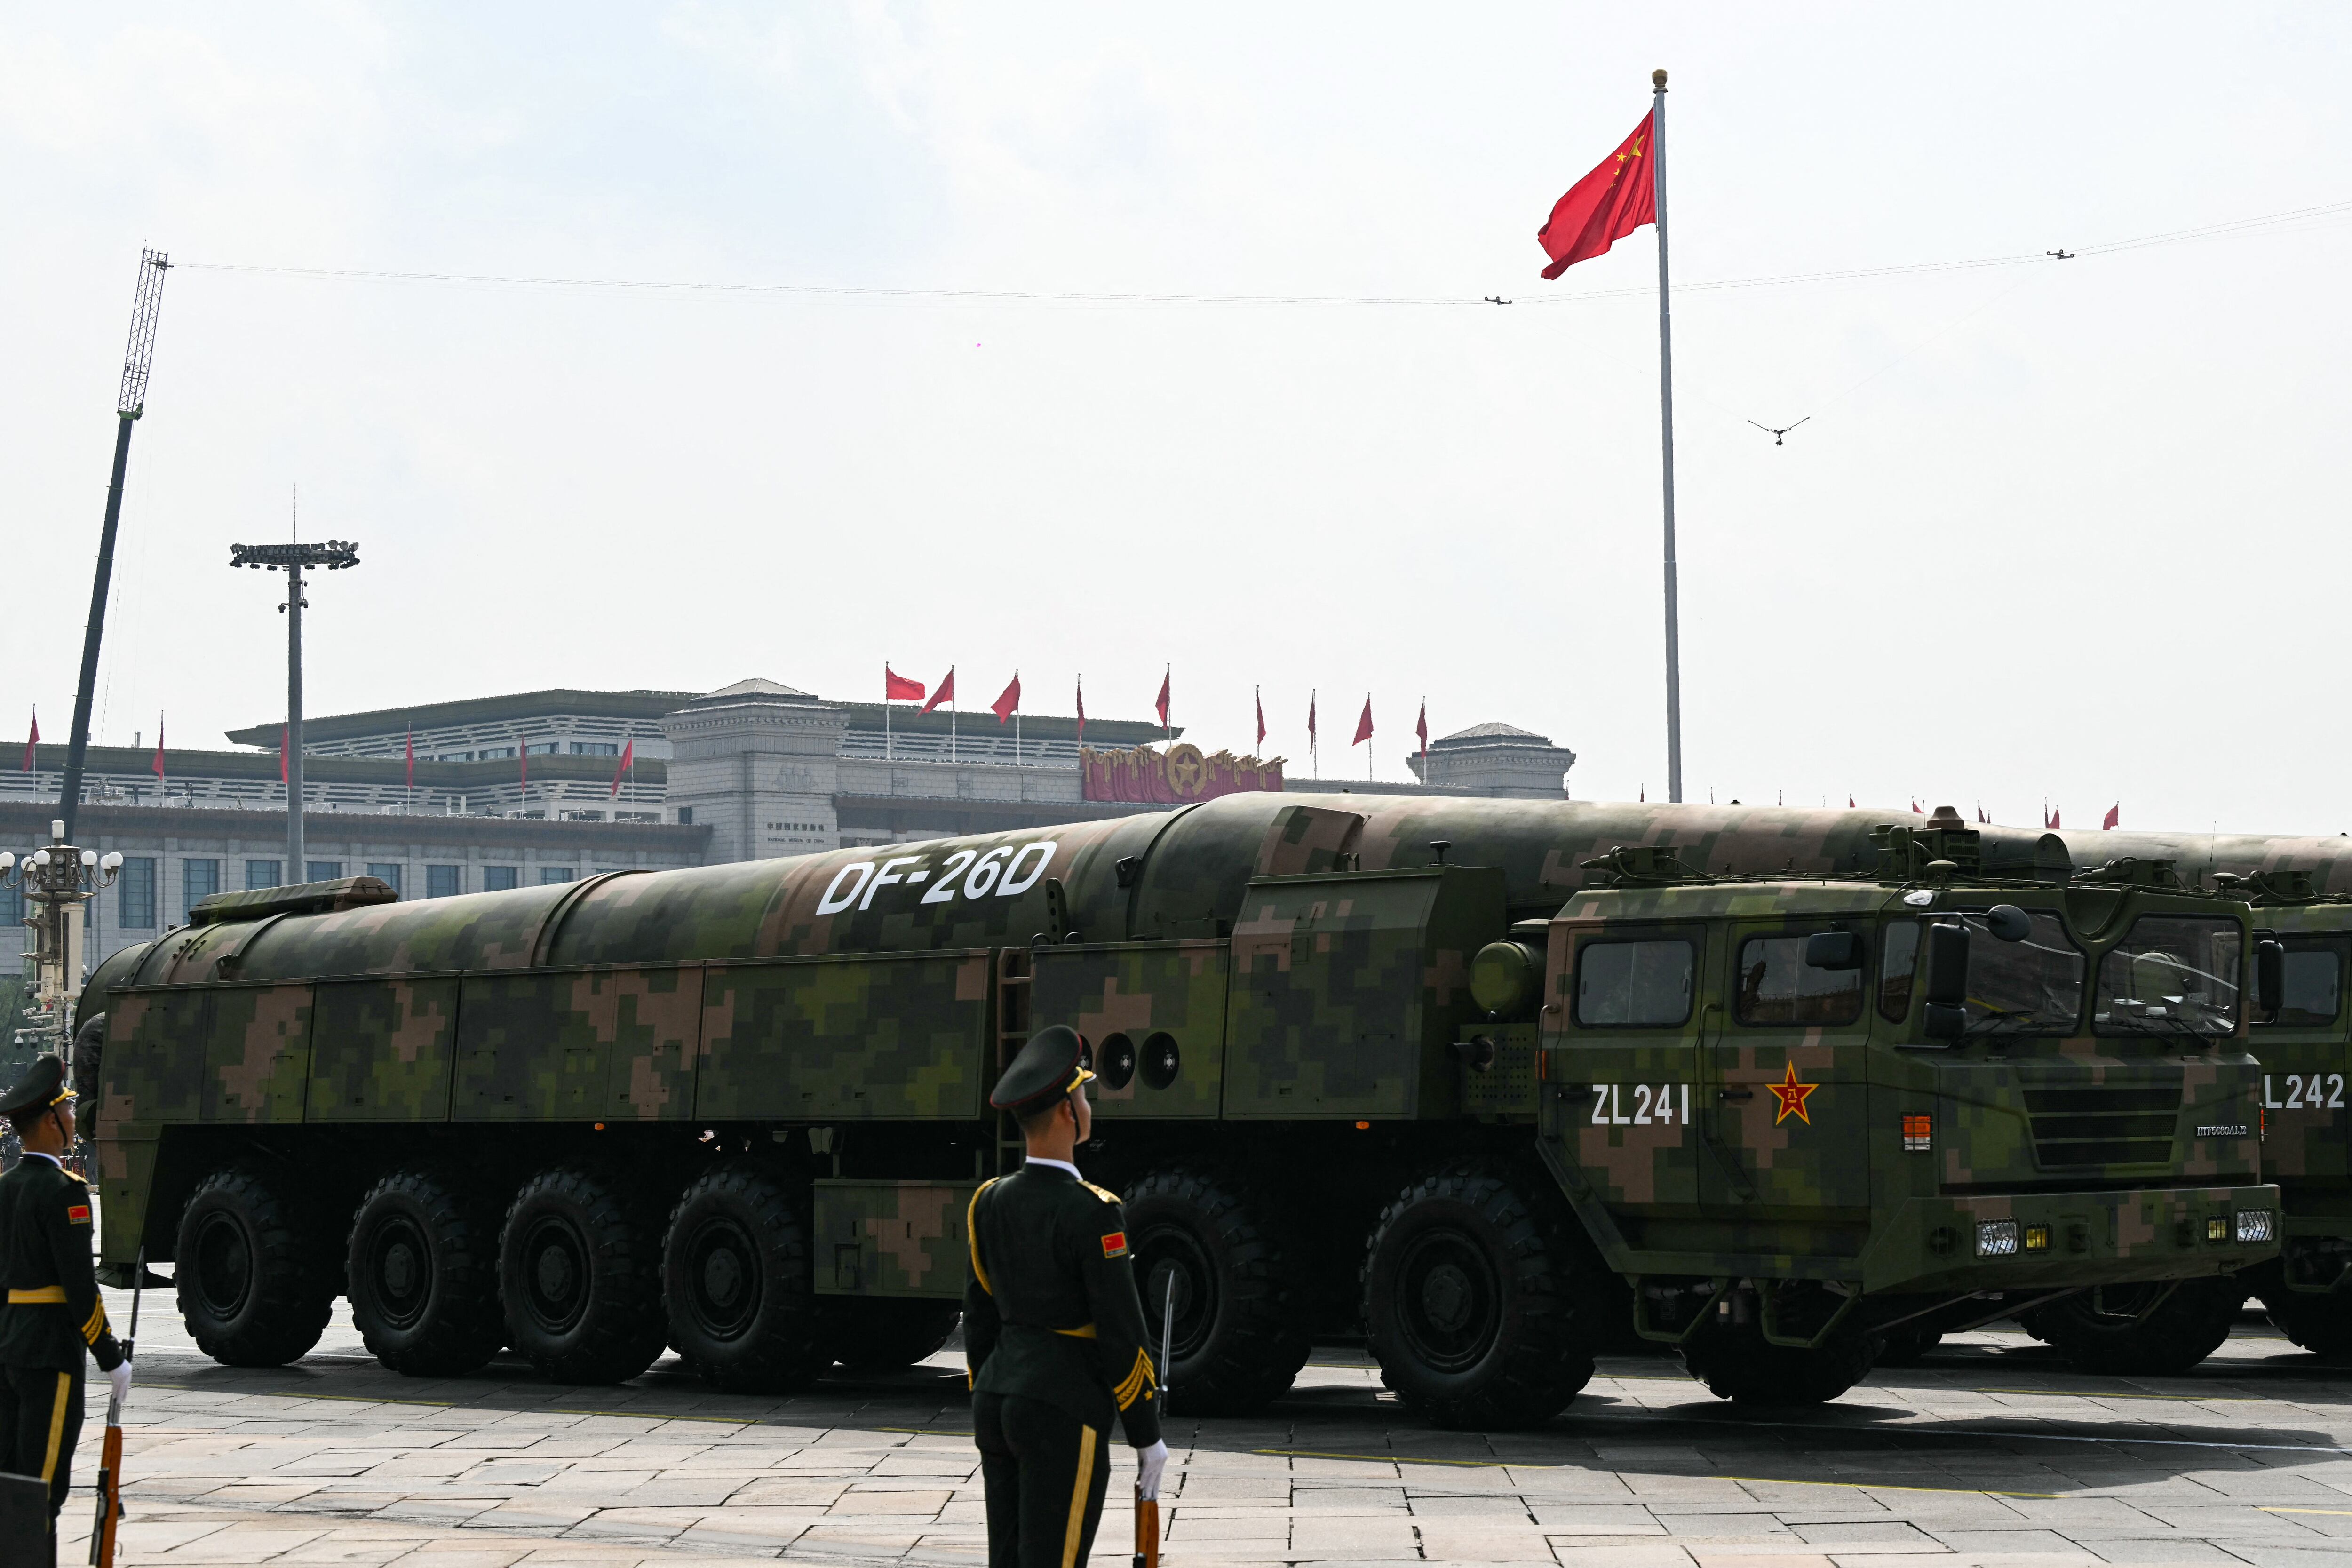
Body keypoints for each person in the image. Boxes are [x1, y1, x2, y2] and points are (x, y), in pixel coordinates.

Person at [965, 1026, 1169, 1568]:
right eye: (1082, 1095)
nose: (1087, 1106)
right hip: (1060, 1406)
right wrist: (1145, 1434)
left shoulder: (989, 1201)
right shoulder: (1092, 1211)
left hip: (996, 1399)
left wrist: (993, 1384)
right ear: (1065, 1113)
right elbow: (1121, 1330)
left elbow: (979, 1317)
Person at [0, 1055, 129, 1555]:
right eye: (69, 1109)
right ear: (51, 1122)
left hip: (9, 1350)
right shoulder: (64, 1193)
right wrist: (110, 1356)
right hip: (51, 1353)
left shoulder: (6, 1189)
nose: (74, 1117)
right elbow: (80, 1287)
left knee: (12, 1483)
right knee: (43, 1488)